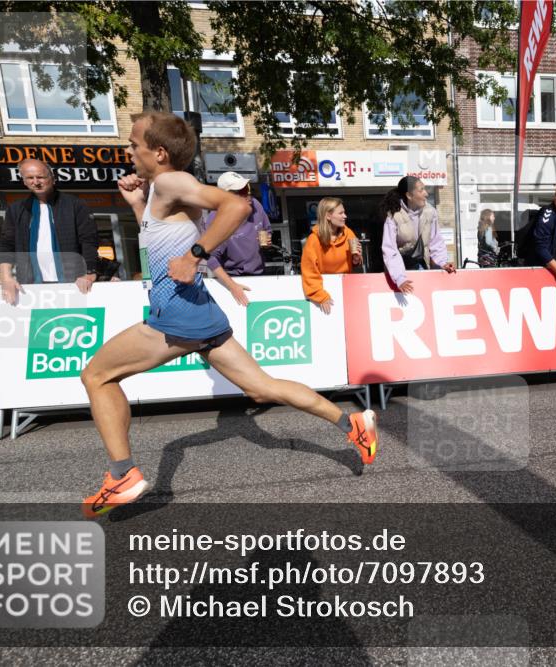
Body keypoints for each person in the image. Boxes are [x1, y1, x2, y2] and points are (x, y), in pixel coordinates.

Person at [80, 111, 378, 519]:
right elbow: (161, 240)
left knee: (97, 376)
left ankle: (122, 474)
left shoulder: (169, 182)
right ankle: (352, 424)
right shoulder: (162, 190)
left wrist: (194, 256)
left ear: (159, 152)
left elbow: (235, 206)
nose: (128, 151)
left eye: (134, 145)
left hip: (178, 313)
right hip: (199, 310)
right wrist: (136, 204)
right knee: (262, 388)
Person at [0, 158, 99, 304]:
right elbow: (6, 244)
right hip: (31, 285)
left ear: (52, 177)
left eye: (40, 177)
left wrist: (89, 273)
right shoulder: (16, 209)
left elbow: (89, 240)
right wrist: (6, 277)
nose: (36, 182)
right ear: (24, 181)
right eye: (30, 178)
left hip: (74, 283)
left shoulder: (75, 205)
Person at [199, 171, 272, 306]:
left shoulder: (256, 205)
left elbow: (267, 231)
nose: (248, 194)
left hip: (260, 274)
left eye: (248, 188)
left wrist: (267, 242)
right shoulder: (215, 219)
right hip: (233, 279)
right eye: (241, 191)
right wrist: (232, 286)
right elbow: (210, 258)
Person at [380, 175, 455, 293]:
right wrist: (399, 278)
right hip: (397, 272)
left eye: (425, 189)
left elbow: (436, 241)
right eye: (421, 190)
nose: (426, 194)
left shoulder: (430, 212)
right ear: (409, 195)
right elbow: (390, 249)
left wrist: (443, 262)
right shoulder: (394, 216)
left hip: (420, 266)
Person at [301, 197, 362, 314]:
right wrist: (320, 295)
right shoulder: (314, 240)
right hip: (324, 292)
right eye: (341, 213)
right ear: (328, 216)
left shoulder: (348, 233)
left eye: (344, 212)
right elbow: (309, 271)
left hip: (346, 288)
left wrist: (356, 260)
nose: (345, 216)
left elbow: (355, 263)